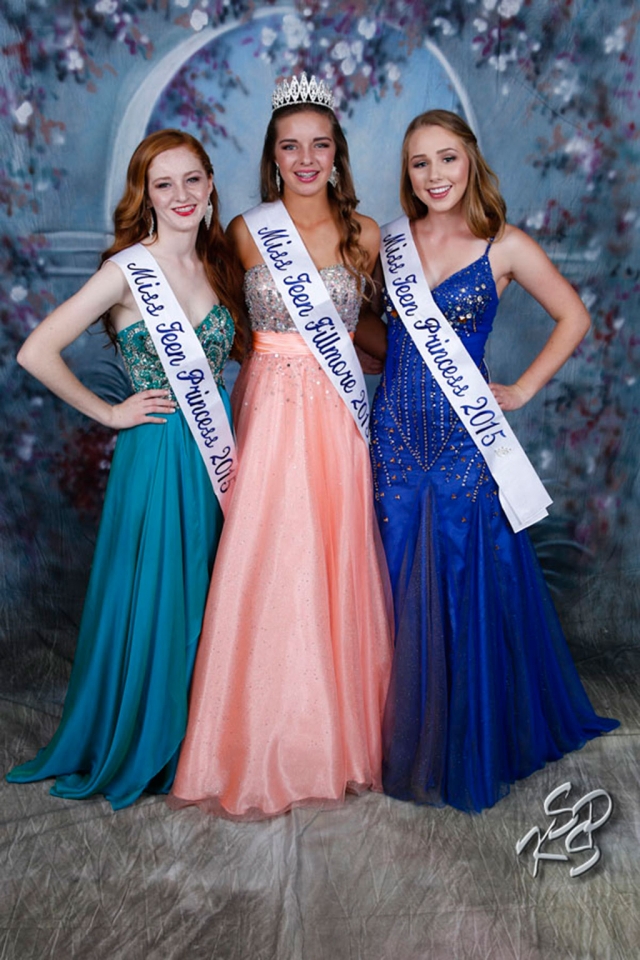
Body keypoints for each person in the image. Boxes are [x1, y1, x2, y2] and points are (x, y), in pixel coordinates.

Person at [370, 109, 619, 814]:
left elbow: (573, 314)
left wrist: (525, 387)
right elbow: (372, 335)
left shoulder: (503, 245)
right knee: (390, 570)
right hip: (394, 434)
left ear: (471, 160)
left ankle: (467, 731)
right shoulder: (390, 243)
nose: (435, 175)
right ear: (407, 174)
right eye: (421, 163)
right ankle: (395, 731)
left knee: (462, 571)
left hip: (463, 438)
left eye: (447, 159)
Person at [169, 74, 393, 821]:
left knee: (334, 555)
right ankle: (251, 735)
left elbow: (364, 333)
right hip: (267, 409)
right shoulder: (243, 229)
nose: (305, 159)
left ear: (337, 153)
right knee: (267, 558)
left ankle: (339, 735)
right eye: (290, 146)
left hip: (335, 415)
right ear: (272, 155)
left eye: (318, 145)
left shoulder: (365, 234)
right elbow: (223, 323)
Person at [7, 129, 244, 809]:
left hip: (215, 455)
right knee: (161, 592)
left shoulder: (219, 265)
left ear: (209, 188)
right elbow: (36, 351)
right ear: (144, 195)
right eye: (163, 183)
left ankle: (207, 739)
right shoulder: (126, 270)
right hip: (156, 453)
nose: (180, 195)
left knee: (211, 591)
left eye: (192, 180)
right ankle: (150, 737)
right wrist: (108, 414)